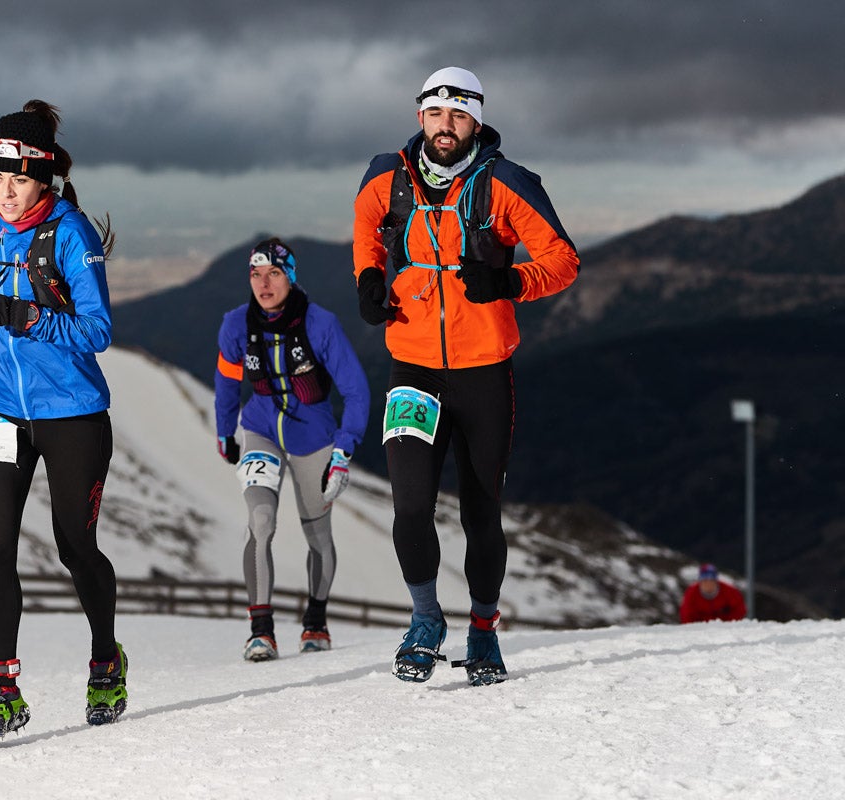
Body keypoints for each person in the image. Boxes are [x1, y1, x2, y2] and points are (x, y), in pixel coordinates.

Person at [352, 67, 579, 686]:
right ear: (420, 116)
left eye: (458, 115)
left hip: (484, 371)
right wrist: (369, 280)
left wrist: (510, 281)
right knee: (410, 505)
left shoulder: (508, 183)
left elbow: (563, 260)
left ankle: (483, 630)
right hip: (413, 366)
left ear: (476, 119)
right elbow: (366, 233)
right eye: (435, 114)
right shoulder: (386, 176)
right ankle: (426, 620)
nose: (445, 127)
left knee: (481, 511)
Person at [0, 100, 126, 738]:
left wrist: (21, 315)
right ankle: (3, 686)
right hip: (1, 409)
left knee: (75, 546)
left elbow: (97, 330)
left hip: (73, 412)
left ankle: (105, 658)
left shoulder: (71, 233)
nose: (5, 192)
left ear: (44, 176)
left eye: (17, 178)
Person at [214, 237, 370, 661]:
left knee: (317, 534)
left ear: (291, 277)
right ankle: (260, 630)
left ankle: (315, 621)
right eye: (256, 274)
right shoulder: (235, 325)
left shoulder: (321, 324)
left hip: (313, 436)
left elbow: (357, 392)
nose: (264, 284)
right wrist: (225, 432)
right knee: (260, 522)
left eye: (274, 274)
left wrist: (343, 451)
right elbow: (227, 384)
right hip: (260, 429)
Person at [680, 563, 747, 623]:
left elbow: (739, 609)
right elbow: (686, 615)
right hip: (700, 631)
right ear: (700, 581)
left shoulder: (730, 592)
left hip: (726, 629)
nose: (709, 583)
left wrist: (727, 624)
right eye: (705, 580)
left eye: (711, 580)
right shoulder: (691, 593)